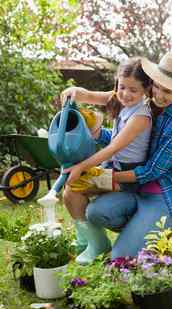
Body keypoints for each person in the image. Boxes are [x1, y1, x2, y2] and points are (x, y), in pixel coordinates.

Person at [62, 51, 172, 264]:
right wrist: (78, 94)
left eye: (169, 92)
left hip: (160, 194)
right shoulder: (147, 101)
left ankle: (152, 230)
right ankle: (129, 234)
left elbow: (151, 171)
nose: (160, 95)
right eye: (158, 86)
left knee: (119, 259)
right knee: (93, 210)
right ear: (152, 83)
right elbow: (127, 141)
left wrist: (103, 177)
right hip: (134, 188)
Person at [62, 57, 153, 264]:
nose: (126, 94)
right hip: (111, 168)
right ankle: (88, 240)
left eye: (133, 90)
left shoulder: (141, 116)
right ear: (117, 83)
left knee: (73, 188)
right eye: (122, 87)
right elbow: (89, 95)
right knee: (71, 190)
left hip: (127, 178)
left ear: (146, 90)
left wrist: (82, 166)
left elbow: (113, 147)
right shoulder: (118, 99)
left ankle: (97, 244)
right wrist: (75, 92)